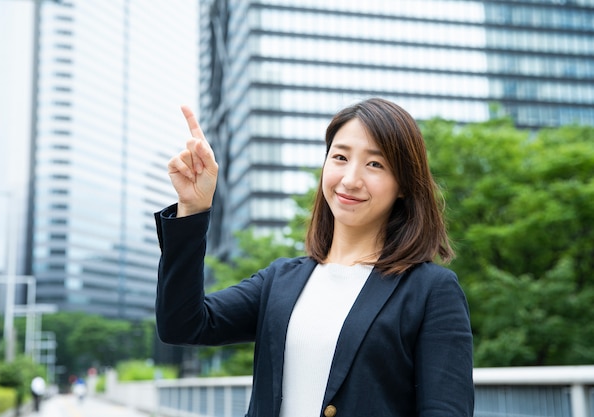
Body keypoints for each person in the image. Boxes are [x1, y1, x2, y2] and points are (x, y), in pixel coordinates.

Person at [155, 98, 474, 417]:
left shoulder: (430, 290)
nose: (350, 179)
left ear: (403, 184)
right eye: (340, 157)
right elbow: (183, 325)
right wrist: (192, 210)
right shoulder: (281, 280)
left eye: (375, 164)